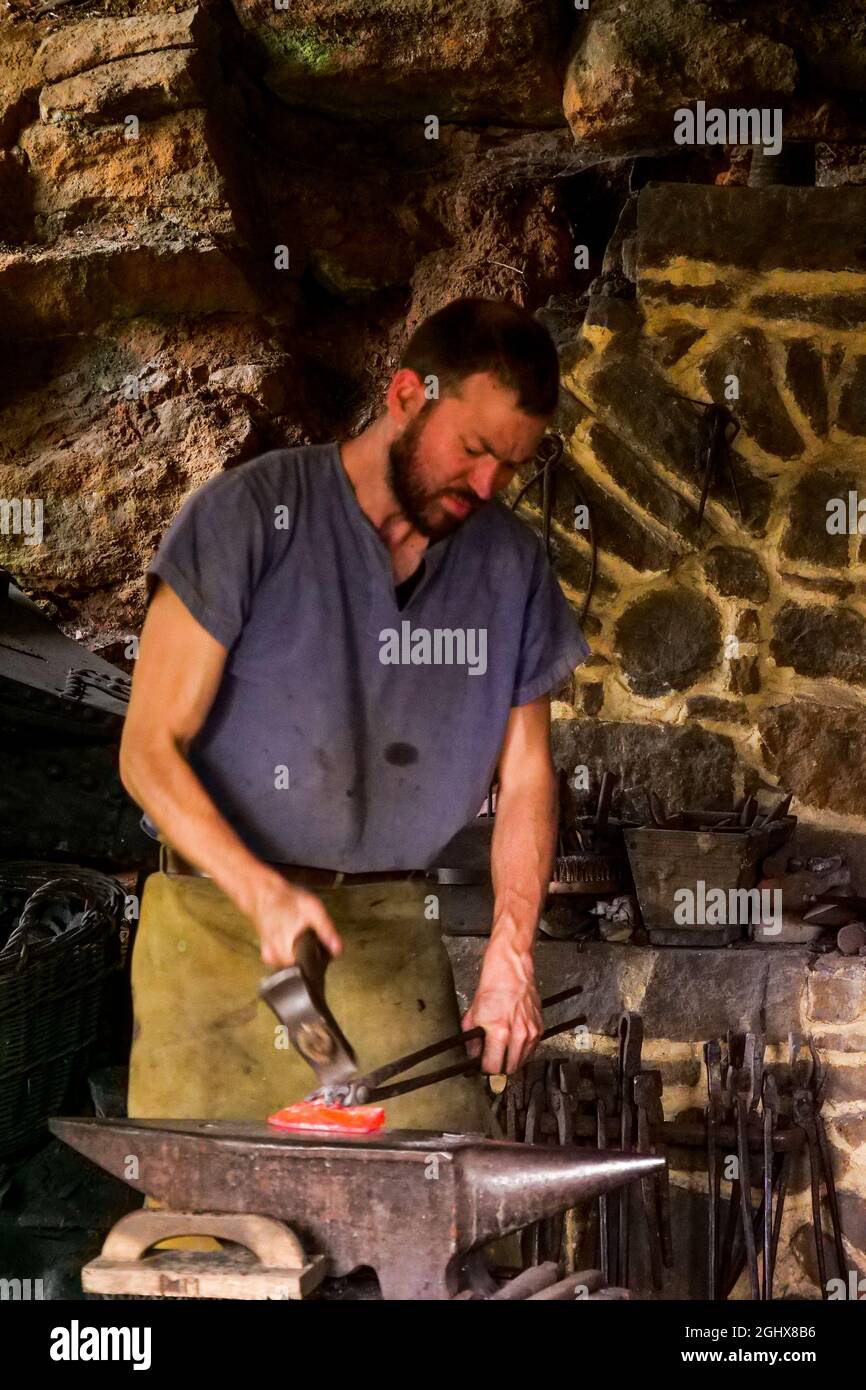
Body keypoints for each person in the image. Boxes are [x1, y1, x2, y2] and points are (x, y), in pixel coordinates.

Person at [120, 296, 590, 1135]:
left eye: (511, 468)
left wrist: (511, 953)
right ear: (406, 392)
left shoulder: (512, 570)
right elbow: (149, 751)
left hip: (387, 942)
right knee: (213, 1247)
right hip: (215, 937)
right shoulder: (248, 517)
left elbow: (525, 778)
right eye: (475, 448)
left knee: (446, 1227)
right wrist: (259, 889)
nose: (486, 486)